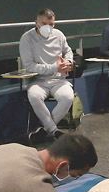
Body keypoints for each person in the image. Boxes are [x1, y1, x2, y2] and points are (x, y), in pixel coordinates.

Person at [19, 8, 75, 143]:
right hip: (37, 81)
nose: (48, 27)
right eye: (44, 24)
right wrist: (54, 67)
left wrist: (68, 62)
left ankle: (45, 130)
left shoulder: (59, 35)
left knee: (68, 97)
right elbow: (29, 66)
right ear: (36, 23)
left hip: (59, 80)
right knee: (34, 96)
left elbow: (68, 51)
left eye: (51, 24)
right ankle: (54, 130)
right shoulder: (27, 38)